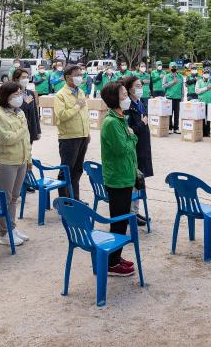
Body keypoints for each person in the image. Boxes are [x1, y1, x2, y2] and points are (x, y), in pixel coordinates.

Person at [99, 81, 139, 276]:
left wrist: (131, 137)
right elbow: (122, 149)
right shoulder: (112, 122)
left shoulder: (120, 118)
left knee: (121, 220)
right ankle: (111, 263)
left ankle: (115, 256)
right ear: (115, 99)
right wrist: (132, 137)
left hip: (125, 175)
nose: (127, 98)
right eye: (123, 95)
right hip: (117, 178)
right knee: (119, 221)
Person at [0, 81, 31, 246]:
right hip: (6, 161)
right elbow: (7, 139)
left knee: (14, 197)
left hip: (21, 160)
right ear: (5, 97)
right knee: (4, 198)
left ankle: (12, 227)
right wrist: (22, 129)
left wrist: (28, 157)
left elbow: (25, 139)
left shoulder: (19, 113)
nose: (19, 97)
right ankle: (4, 233)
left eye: (20, 93)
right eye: (15, 95)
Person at [54, 64, 90, 199]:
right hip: (69, 138)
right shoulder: (60, 95)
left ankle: (75, 199)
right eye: (77, 75)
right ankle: (64, 200)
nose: (80, 77)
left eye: (81, 75)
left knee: (77, 170)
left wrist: (87, 133)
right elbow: (61, 116)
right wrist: (76, 107)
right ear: (68, 77)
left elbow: (84, 114)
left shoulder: (80, 91)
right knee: (66, 169)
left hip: (82, 136)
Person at [121, 75, 152, 227]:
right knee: (133, 182)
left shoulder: (141, 103)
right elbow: (129, 131)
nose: (140, 89)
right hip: (134, 148)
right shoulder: (128, 107)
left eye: (141, 86)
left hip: (143, 146)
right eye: (137, 86)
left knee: (140, 180)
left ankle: (135, 210)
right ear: (129, 88)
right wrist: (142, 123)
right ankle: (130, 213)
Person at [12, 68, 41, 144]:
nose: (26, 79)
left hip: (29, 128)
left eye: (27, 77)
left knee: (28, 152)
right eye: (23, 77)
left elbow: (34, 112)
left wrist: (37, 130)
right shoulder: (11, 94)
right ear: (16, 79)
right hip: (17, 130)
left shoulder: (30, 93)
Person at [162, 61, 184, 134]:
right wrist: (172, 82)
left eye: (175, 67)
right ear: (169, 68)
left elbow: (182, 87)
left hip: (178, 97)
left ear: (177, 68)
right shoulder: (166, 76)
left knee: (177, 113)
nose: (173, 68)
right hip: (169, 97)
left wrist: (182, 96)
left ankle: (176, 128)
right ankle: (170, 128)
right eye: (172, 67)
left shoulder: (180, 76)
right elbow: (163, 86)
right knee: (169, 113)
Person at [195, 69, 211, 137]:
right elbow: (197, 91)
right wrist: (206, 88)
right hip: (201, 102)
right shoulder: (199, 81)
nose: (206, 74)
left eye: (207, 73)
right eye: (205, 73)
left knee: (209, 118)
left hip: (210, 102)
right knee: (202, 117)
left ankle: (207, 132)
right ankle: (202, 132)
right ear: (202, 74)